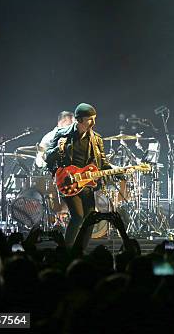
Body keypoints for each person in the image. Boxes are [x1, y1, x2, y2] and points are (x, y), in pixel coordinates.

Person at [45, 103, 112, 249]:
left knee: (90, 219)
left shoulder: (96, 139)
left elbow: (104, 163)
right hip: (67, 181)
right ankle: (65, 250)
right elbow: (47, 157)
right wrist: (58, 149)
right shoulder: (62, 134)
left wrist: (115, 172)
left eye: (94, 119)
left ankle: (80, 250)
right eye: (90, 119)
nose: (93, 123)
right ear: (79, 120)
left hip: (86, 183)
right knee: (78, 216)